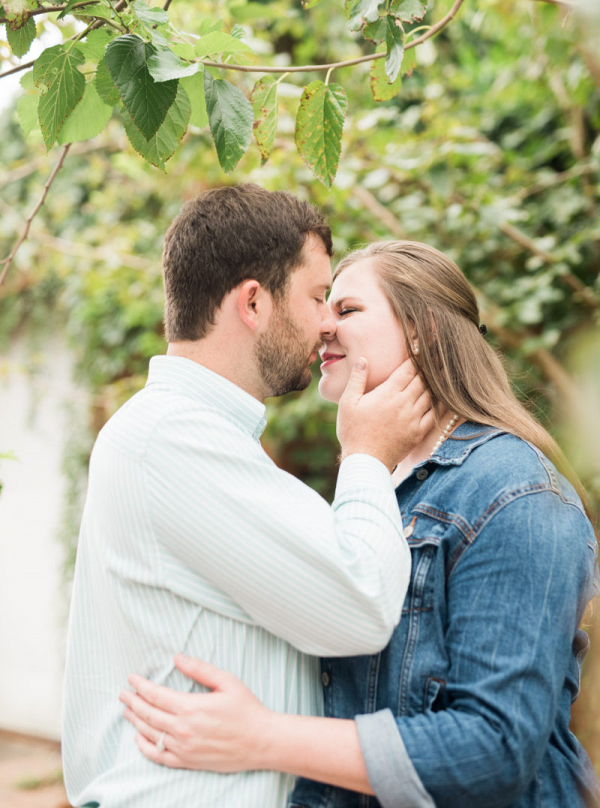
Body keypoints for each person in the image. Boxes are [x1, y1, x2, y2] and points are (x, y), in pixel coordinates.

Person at [120, 240, 600, 808]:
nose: (323, 324)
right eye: (325, 306)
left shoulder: (513, 491)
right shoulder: (375, 490)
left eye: (346, 310)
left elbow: (493, 748)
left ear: (421, 329)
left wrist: (262, 736)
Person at [62, 188, 435, 808]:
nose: (327, 324)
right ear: (254, 302)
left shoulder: (185, 435)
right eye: (318, 297)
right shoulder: (173, 440)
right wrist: (368, 454)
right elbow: (363, 603)